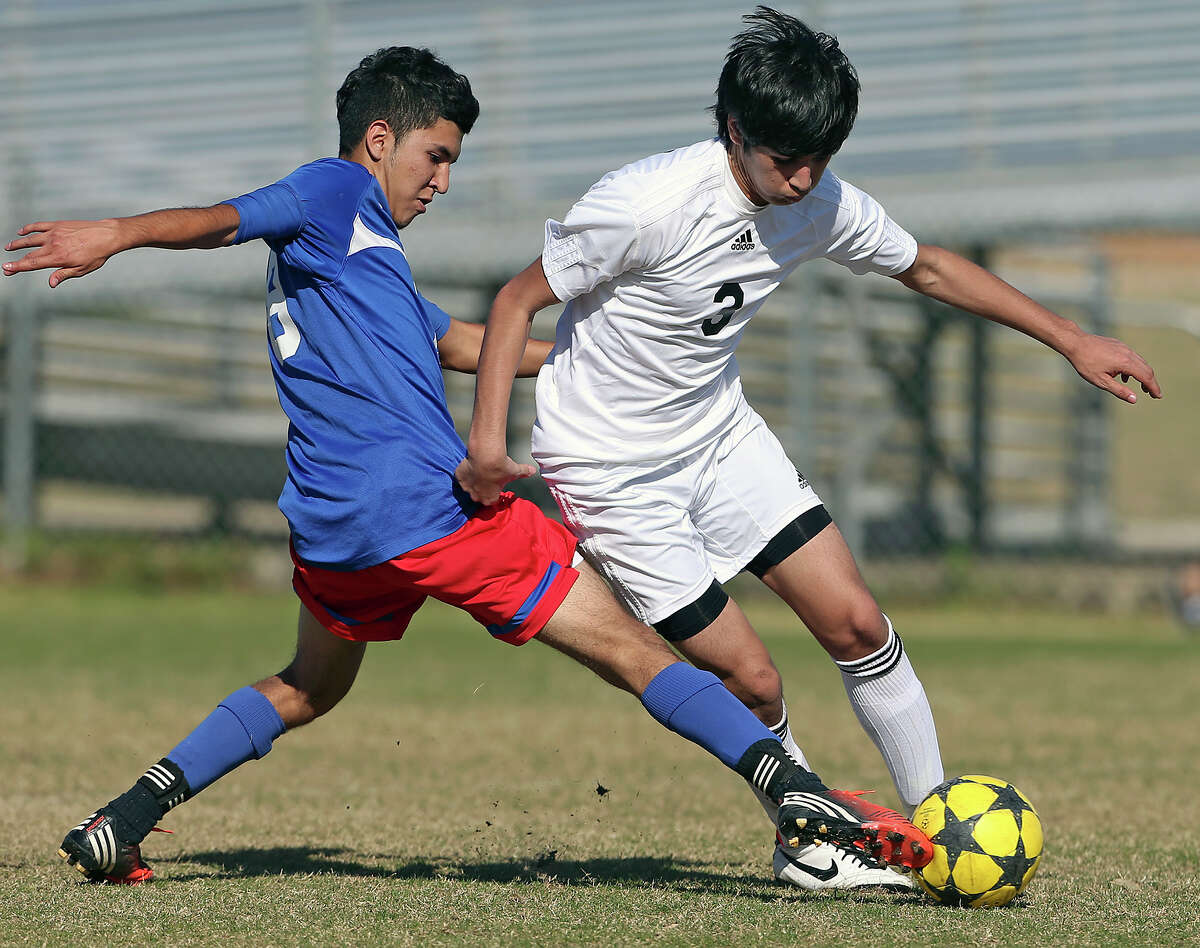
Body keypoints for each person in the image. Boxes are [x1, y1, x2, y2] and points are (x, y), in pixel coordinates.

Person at [3, 45, 931, 888]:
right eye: (436, 156)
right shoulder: (331, 193)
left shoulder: (362, 259)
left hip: (332, 520)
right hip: (424, 506)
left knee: (309, 685)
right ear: (378, 141)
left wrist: (612, 344)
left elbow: (461, 343)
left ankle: (125, 819)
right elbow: (225, 219)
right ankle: (801, 796)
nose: (443, 179)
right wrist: (115, 234)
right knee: (636, 649)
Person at [456, 7, 1163, 892]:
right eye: (785, 159)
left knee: (859, 623)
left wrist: (1070, 338)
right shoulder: (644, 205)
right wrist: (487, 445)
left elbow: (931, 268)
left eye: (819, 159)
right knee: (751, 679)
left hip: (717, 435)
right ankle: (810, 836)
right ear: (734, 130)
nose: (803, 180)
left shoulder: (820, 199)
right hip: (608, 470)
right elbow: (518, 304)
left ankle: (938, 827)